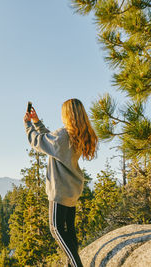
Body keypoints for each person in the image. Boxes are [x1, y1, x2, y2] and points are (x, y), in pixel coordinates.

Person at [23, 98, 98, 267]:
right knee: (69, 231)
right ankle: (70, 264)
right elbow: (52, 141)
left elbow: (39, 141)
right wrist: (37, 122)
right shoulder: (75, 134)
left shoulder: (63, 135)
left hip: (60, 191)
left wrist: (28, 125)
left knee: (56, 229)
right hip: (72, 189)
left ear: (67, 114)